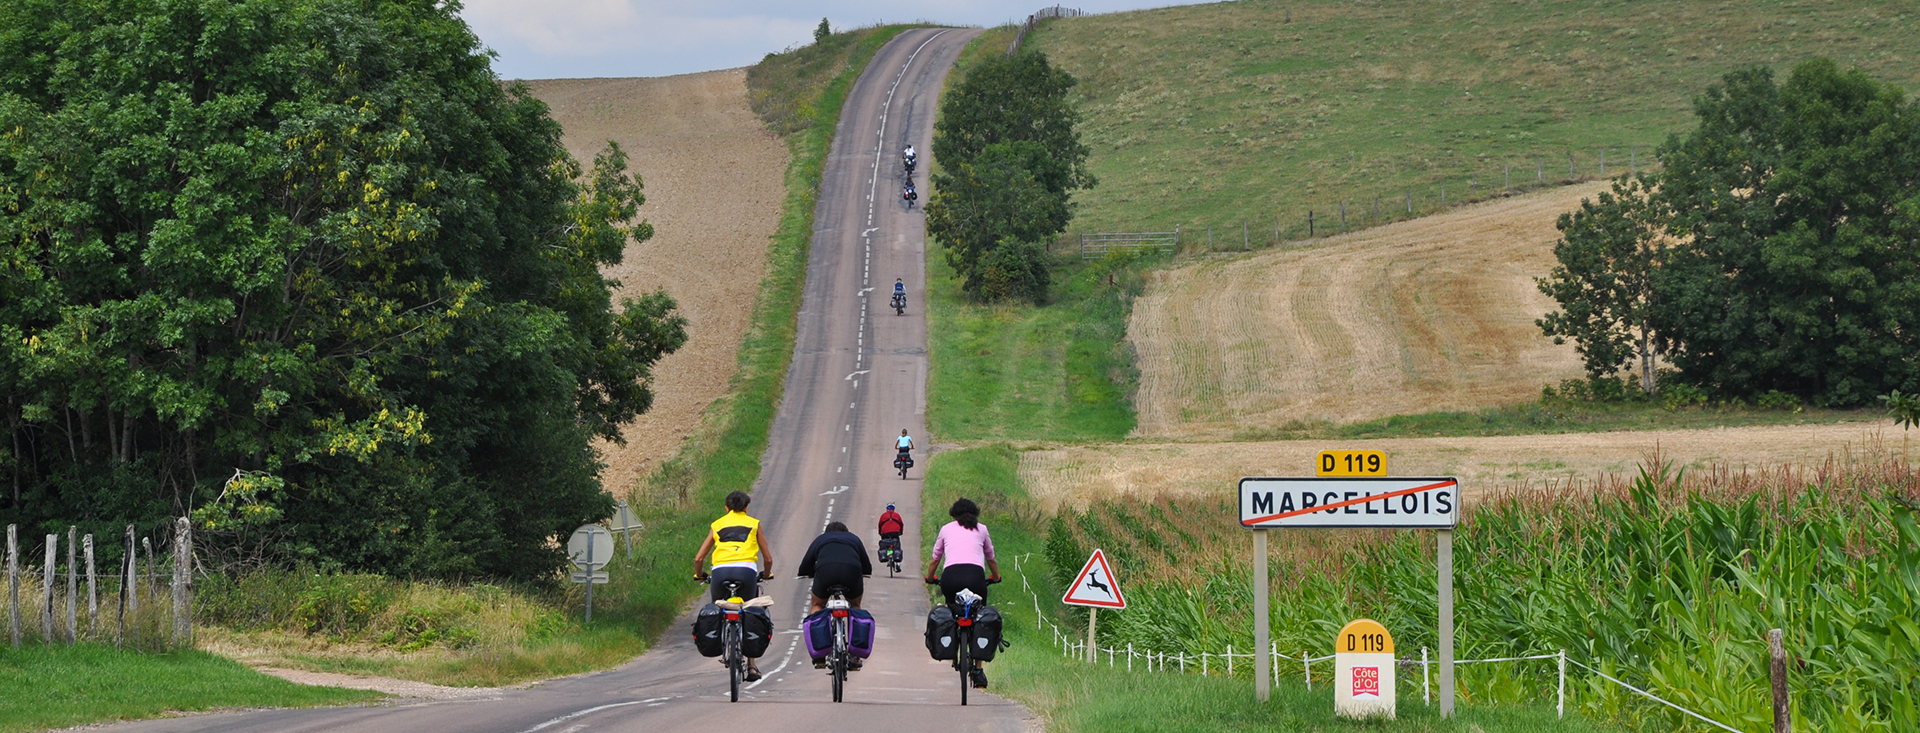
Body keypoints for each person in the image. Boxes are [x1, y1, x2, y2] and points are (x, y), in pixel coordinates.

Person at [692, 490, 774, 681]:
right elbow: (768, 558)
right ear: (746, 508)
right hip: (746, 572)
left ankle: (722, 637)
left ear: (726, 508)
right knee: (750, 609)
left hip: (721, 572)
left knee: (720, 605)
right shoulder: (754, 524)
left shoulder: (717, 524)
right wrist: (767, 574)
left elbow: (699, 557)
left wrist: (699, 575)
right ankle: (752, 666)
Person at [924, 497, 1001, 689]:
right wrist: (996, 576)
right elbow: (990, 557)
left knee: (952, 608)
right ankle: (978, 669)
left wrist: (930, 577)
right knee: (979, 613)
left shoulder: (946, 529)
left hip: (951, 578)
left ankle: (953, 639)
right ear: (975, 513)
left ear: (953, 514)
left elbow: (935, 559)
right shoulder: (981, 529)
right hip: (976, 578)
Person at [797, 521, 871, 614]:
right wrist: (865, 571)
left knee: (817, 604)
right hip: (851, 571)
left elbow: (806, 563)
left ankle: (816, 626)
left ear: (826, 533)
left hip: (826, 572)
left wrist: (809, 572)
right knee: (855, 605)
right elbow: (866, 565)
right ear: (846, 532)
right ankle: (856, 626)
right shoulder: (854, 539)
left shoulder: (820, 539)